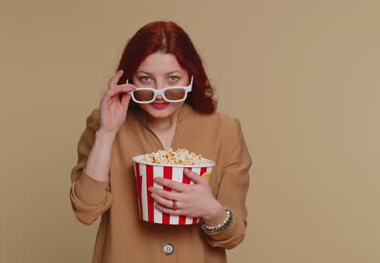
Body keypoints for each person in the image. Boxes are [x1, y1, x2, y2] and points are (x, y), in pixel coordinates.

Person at [69, 21, 252, 263]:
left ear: (191, 77)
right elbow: (86, 210)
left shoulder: (224, 130)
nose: (159, 92)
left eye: (173, 78)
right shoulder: (103, 126)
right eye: (146, 79)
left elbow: (233, 236)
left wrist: (211, 210)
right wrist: (106, 133)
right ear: (129, 79)